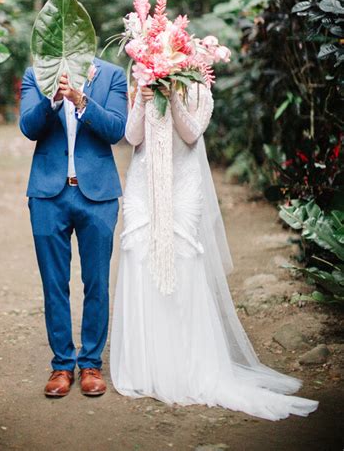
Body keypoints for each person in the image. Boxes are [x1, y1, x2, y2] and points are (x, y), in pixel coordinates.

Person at [110, 81, 319, 421]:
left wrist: (174, 98)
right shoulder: (141, 77)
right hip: (143, 182)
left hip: (183, 181)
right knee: (138, 253)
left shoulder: (198, 87)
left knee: (182, 259)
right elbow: (132, 137)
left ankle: (186, 363)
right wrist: (140, 99)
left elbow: (192, 134)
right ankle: (145, 366)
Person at [19, 56, 128, 397]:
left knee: (96, 282)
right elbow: (28, 127)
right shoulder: (35, 74)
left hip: (97, 195)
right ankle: (62, 365)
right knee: (54, 284)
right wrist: (52, 97)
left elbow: (116, 130)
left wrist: (81, 99)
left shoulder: (111, 74)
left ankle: (91, 363)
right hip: (47, 194)